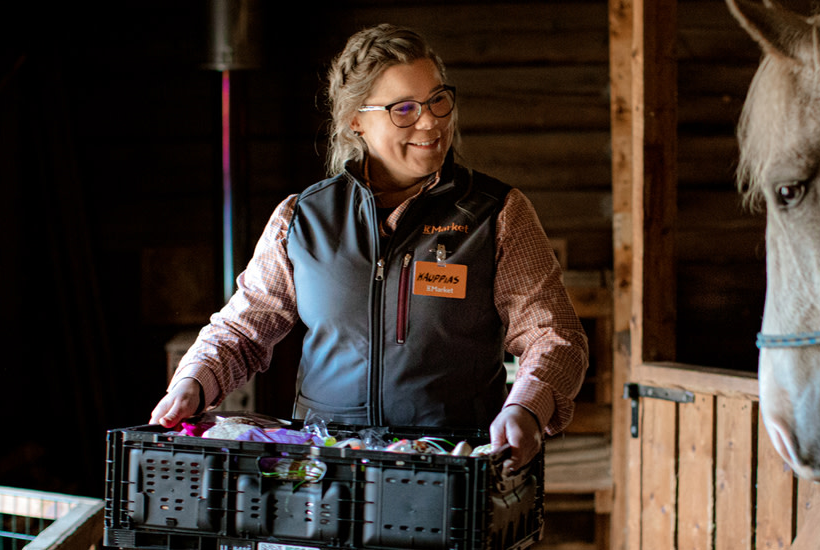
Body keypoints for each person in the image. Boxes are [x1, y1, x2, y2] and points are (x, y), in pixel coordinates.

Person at [148, 24, 588, 472]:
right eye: (404, 108)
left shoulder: (496, 214)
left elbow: (553, 336)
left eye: (438, 99)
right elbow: (242, 331)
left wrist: (526, 407)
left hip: (451, 473)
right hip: (323, 475)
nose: (431, 120)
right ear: (356, 119)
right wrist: (192, 382)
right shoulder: (303, 219)